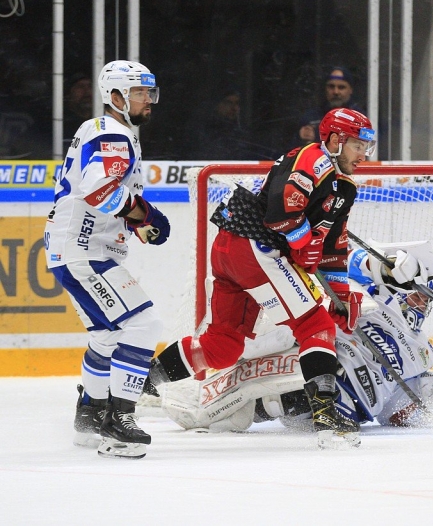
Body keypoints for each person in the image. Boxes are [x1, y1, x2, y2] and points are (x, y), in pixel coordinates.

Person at [144, 108, 409, 448]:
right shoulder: (312, 159)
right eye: (358, 145)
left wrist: (341, 297)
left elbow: (333, 244)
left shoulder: (342, 186)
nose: (364, 155)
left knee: (222, 346)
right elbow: (280, 213)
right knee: (316, 327)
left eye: (367, 147)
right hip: (253, 247)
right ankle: (326, 415)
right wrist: (301, 243)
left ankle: (137, 383)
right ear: (335, 140)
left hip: (234, 250)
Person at [154, 243, 433, 435]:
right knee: (272, 340)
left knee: (265, 402)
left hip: (337, 409)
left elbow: (396, 412)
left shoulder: (423, 352)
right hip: (306, 362)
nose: (423, 303)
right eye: (419, 294)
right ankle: (191, 385)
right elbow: (346, 259)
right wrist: (385, 266)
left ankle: (256, 404)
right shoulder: (372, 292)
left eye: (427, 298)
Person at [44, 60, 171, 459]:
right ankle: (119, 421)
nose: (147, 100)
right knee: (143, 324)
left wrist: (134, 222)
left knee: (107, 334)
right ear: (115, 97)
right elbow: (99, 191)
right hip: (85, 251)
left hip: (78, 247)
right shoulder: (113, 133)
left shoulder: (104, 130)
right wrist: (144, 213)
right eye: (138, 93)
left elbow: (100, 195)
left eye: (149, 92)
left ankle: (90, 415)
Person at [189, 86, 279, 161]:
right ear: (216, 105)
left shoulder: (242, 132)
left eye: (237, 103)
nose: (234, 108)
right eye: (228, 103)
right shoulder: (202, 131)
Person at [293, 66, 364, 149]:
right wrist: (300, 138)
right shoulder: (310, 117)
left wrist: (316, 136)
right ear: (325, 88)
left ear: (350, 90)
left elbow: (366, 143)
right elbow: (291, 152)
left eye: (341, 87)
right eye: (331, 86)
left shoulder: (361, 118)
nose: (336, 92)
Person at [62, 72, 93, 153]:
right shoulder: (59, 125)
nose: (87, 91)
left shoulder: (110, 122)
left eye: (90, 86)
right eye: (80, 87)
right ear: (68, 94)